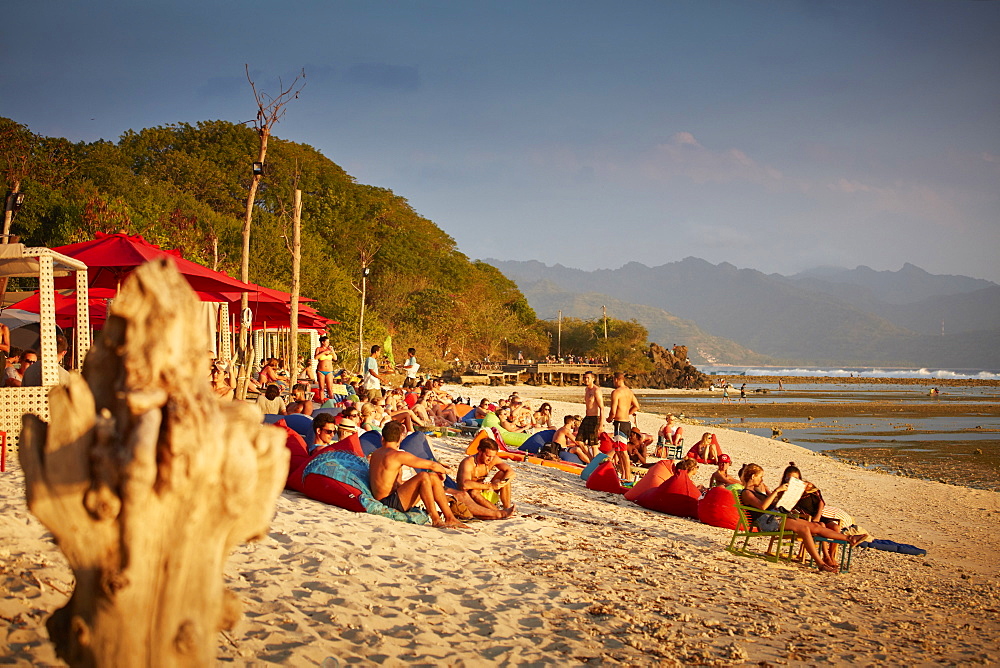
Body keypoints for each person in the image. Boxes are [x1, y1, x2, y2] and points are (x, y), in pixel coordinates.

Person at [739, 463, 866, 574]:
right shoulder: (746, 493)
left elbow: (770, 503)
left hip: (776, 517)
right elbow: (762, 507)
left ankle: (850, 538)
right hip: (768, 522)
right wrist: (777, 490)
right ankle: (821, 564)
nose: (762, 479)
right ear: (753, 477)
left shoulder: (756, 491)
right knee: (804, 529)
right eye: (760, 477)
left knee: (816, 526)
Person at [368, 420, 468, 528]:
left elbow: (391, 483)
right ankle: (436, 519)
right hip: (388, 502)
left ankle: (450, 518)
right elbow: (432, 466)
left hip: (388, 497)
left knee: (432, 477)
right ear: (400, 438)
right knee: (423, 476)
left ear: (383, 438)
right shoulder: (397, 455)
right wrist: (446, 471)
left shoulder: (376, 453)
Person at [456, 438, 517, 519]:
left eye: (493, 456)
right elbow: (465, 484)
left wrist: (502, 483)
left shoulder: (493, 459)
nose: (490, 459)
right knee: (473, 491)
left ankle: (507, 508)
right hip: (470, 497)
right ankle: (499, 512)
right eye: (488, 456)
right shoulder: (468, 462)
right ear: (479, 451)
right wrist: (490, 486)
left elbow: (511, 472)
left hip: (484, 492)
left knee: (503, 474)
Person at [606, 371, 639, 482]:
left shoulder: (616, 392)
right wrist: (627, 413)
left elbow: (613, 410)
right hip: (626, 423)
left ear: (616, 379)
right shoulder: (629, 392)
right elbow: (636, 406)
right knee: (619, 450)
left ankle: (628, 476)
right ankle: (624, 475)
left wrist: (610, 418)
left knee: (622, 451)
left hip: (620, 423)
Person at [578, 371, 603, 459]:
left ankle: (594, 463)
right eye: (584, 378)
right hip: (587, 417)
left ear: (593, 379)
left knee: (593, 444)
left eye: (588, 378)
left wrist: (601, 424)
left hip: (594, 418)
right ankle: (592, 460)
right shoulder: (586, 389)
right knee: (579, 440)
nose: (586, 380)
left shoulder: (596, 390)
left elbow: (602, 408)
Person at [314, 335, 338, 400]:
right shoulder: (318, 349)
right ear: (323, 342)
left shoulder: (329, 350)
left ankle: (332, 401)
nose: (328, 343)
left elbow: (335, 358)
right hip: (321, 370)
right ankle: (322, 401)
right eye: (327, 342)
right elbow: (316, 357)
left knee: (329, 388)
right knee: (321, 388)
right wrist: (324, 352)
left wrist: (332, 351)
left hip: (329, 370)